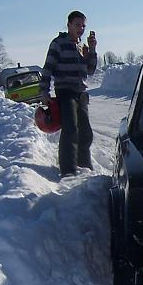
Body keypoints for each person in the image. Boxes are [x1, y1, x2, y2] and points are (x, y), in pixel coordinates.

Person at [40, 10, 98, 177]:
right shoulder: (58, 43)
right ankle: (68, 171)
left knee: (86, 132)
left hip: (81, 92)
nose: (80, 29)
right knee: (71, 129)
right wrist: (44, 91)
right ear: (69, 25)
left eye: (83, 26)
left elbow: (91, 69)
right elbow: (48, 67)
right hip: (65, 91)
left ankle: (84, 167)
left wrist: (92, 49)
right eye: (77, 25)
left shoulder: (83, 46)